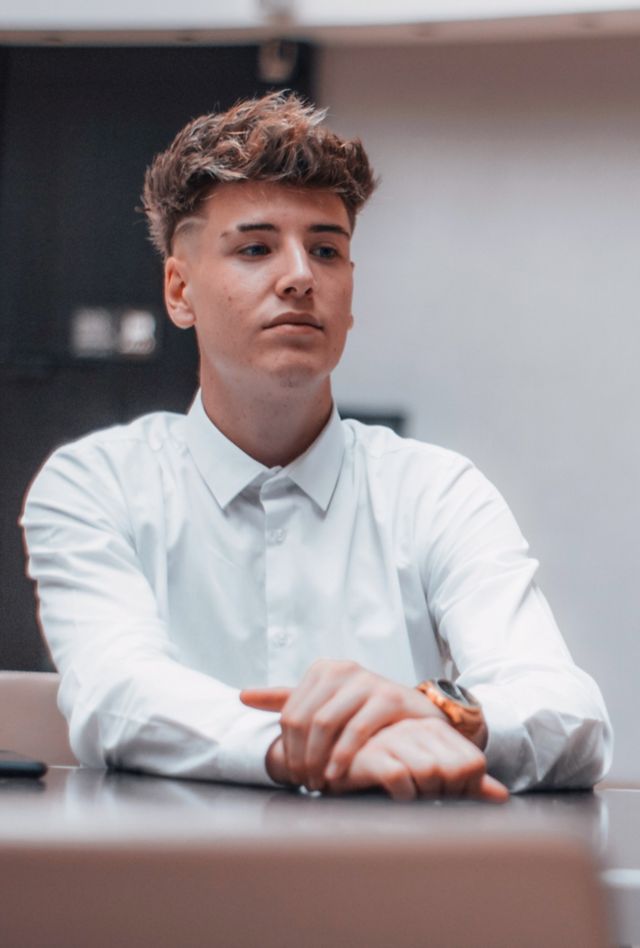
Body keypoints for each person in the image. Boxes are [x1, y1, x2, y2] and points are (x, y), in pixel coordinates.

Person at [21, 92, 612, 801]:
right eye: (256, 247)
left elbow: (571, 715)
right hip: (168, 897)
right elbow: (117, 696)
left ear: (349, 294)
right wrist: (316, 748)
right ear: (179, 292)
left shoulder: (437, 491)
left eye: (326, 250)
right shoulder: (95, 483)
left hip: (395, 897)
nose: (300, 274)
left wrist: (443, 715)